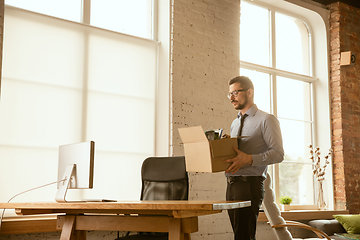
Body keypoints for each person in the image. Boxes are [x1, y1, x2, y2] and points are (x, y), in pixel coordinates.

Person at [223, 76, 284, 240]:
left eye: (235, 92)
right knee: (239, 236)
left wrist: (249, 159)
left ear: (249, 92)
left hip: (250, 185)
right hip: (231, 185)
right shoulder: (234, 123)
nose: (231, 98)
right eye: (229, 94)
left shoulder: (267, 119)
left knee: (244, 236)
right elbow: (238, 154)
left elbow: (278, 154)